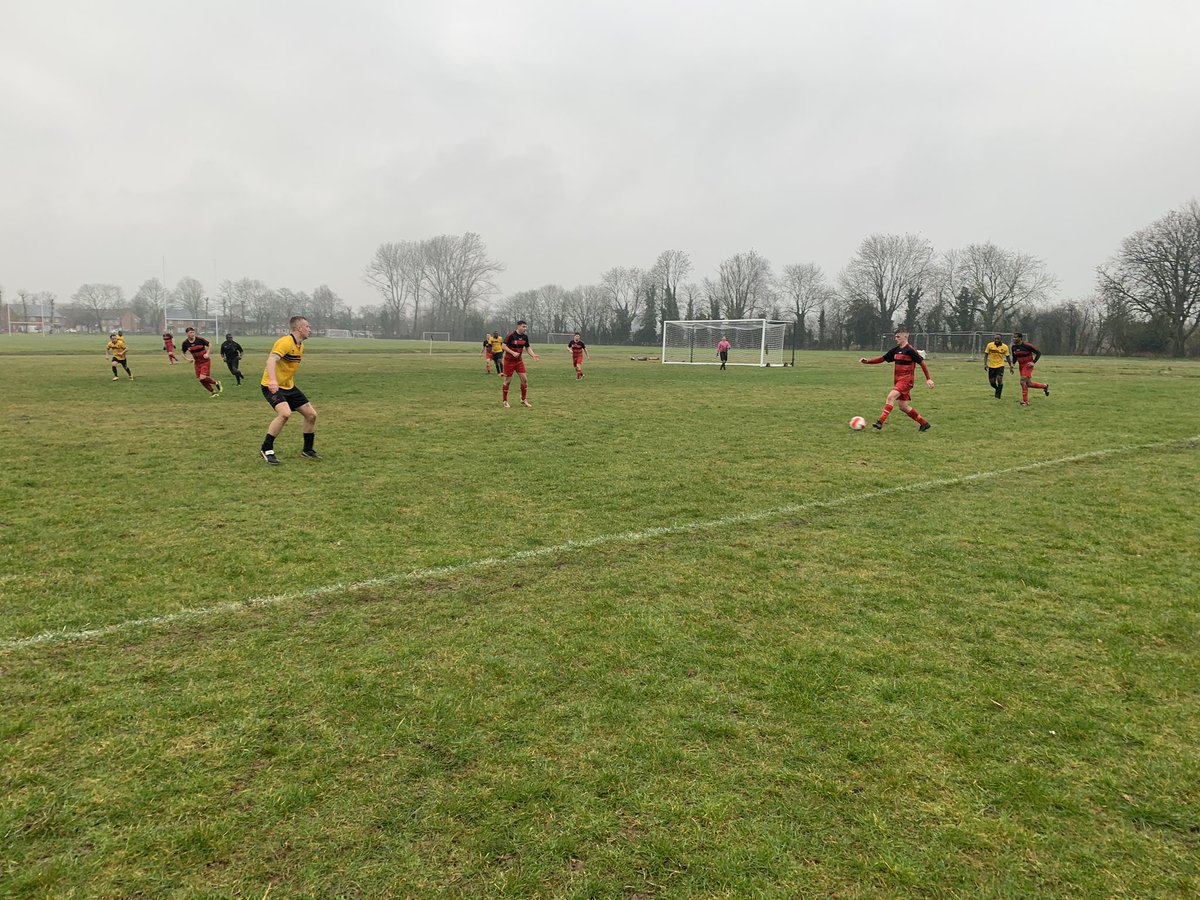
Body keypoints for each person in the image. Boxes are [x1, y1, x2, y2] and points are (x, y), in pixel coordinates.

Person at [259, 315, 318, 464]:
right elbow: (271, 360)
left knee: (311, 415)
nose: (309, 329)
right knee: (285, 414)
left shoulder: (300, 346)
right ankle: (266, 448)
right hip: (271, 385)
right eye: (307, 327)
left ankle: (307, 450)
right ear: (299, 328)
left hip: (289, 386)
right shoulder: (285, 342)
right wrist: (273, 380)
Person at [860, 327, 934, 431]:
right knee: (903, 406)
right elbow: (883, 358)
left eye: (898, 336)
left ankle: (880, 422)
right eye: (895, 336)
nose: (896, 338)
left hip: (906, 380)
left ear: (905, 336)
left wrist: (928, 379)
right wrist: (868, 362)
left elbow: (922, 363)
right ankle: (924, 423)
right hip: (899, 380)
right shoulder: (895, 350)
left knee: (890, 397)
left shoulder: (910, 350)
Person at [501, 320, 539, 408]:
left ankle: (523, 399)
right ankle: (505, 401)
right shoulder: (511, 335)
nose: (525, 328)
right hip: (509, 361)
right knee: (508, 381)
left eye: (526, 327)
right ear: (518, 326)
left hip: (519, 361)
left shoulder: (525, 337)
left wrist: (533, 355)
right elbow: (503, 346)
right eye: (523, 326)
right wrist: (512, 352)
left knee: (524, 380)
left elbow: (528, 347)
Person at [180, 327, 222, 396]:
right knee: (201, 379)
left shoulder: (200, 339)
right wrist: (187, 359)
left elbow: (209, 345)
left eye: (193, 332)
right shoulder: (185, 343)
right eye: (190, 333)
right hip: (197, 363)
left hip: (205, 361)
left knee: (203, 377)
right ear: (187, 334)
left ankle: (216, 383)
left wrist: (207, 353)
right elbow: (182, 352)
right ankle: (213, 392)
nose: (192, 334)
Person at [1011, 332, 1049, 406]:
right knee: (1028, 384)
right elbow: (1015, 357)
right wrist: (1013, 364)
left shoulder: (1027, 345)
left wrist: (1033, 362)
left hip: (1028, 365)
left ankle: (1025, 401)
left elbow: (1038, 353)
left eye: (1015, 337)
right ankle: (1044, 386)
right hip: (1021, 366)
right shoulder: (1013, 347)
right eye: (1013, 337)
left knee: (1022, 381)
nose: (1014, 339)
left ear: (1020, 338)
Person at [983, 333, 1012, 400]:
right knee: (992, 382)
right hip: (991, 366)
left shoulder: (1005, 347)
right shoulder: (990, 345)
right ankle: (997, 389)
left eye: (998, 339)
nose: (996, 340)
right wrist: (985, 364)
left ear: (1001, 339)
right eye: (995, 338)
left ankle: (998, 395)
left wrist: (1011, 365)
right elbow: (986, 354)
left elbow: (1007, 357)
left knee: (999, 379)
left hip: (1000, 365)